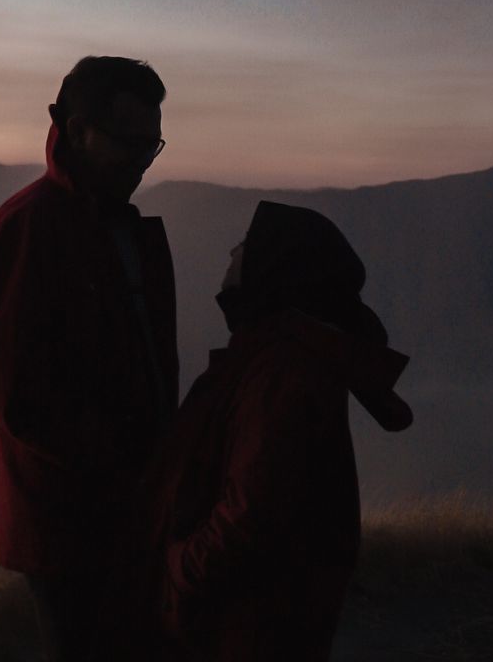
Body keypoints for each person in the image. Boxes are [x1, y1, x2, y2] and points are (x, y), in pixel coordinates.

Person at [113, 200, 413, 662]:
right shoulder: (277, 359)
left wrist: (180, 570)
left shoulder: (279, 374)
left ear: (277, 268)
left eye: (249, 244)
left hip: (244, 626)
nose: (234, 249)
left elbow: (250, 511)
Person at [0, 55, 178, 662]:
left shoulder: (117, 225)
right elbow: (9, 387)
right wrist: (122, 463)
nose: (141, 161)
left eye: (152, 145)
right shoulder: (32, 225)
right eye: (127, 142)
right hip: (69, 528)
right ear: (74, 127)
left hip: (126, 512)